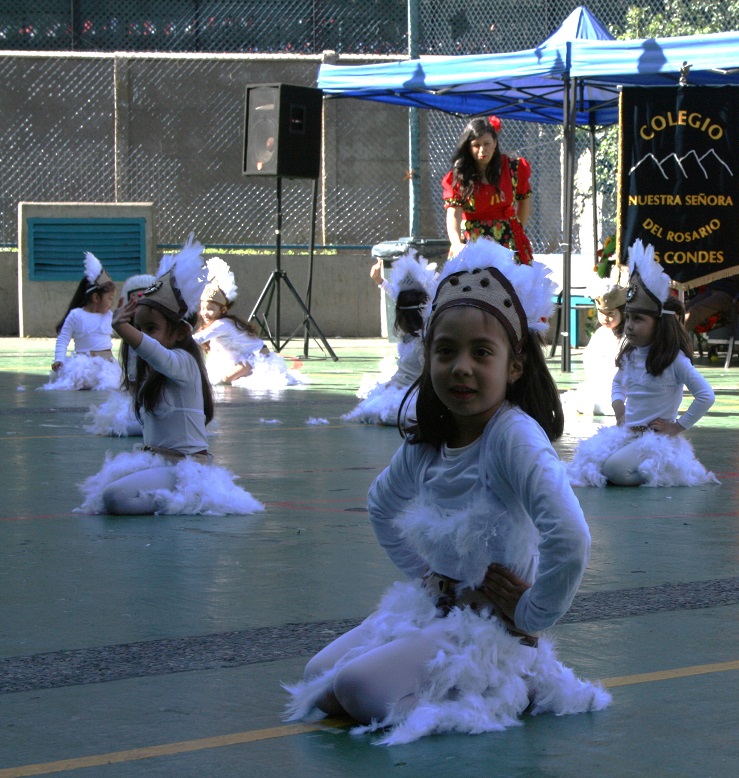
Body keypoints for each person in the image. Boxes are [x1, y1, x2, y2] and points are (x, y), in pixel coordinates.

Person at [284, 240, 609, 745]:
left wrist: (530, 615)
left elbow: (570, 537)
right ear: (427, 357)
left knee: (355, 690)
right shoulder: (432, 438)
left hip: (491, 633)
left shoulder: (513, 436)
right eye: (446, 351)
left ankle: (517, 680)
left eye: (482, 353)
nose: (461, 367)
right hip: (440, 608)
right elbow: (381, 505)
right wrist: (427, 577)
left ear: (514, 365)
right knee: (317, 675)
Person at [76, 238, 264, 516]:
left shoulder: (183, 363)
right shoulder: (153, 368)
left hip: (184, 469)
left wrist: (123, 328)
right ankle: (170, 497)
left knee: (114, 497)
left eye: (151, 328)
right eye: (140, 327)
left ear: (180, 333)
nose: (142, 335)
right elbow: (143, 357)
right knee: (107, 489)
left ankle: (185, 500)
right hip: (158, 462)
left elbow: (152, 351)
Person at [568, 241, 718, 487]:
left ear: (659, 324)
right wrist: (619, 407)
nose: (628, 326)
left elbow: (706, 395)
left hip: (656, 441)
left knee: (614, 470)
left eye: (638, 319)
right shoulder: (631, 355)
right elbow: (618, 384)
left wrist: (676, 427)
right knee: (589, 463)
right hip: (629, 433)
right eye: (628, 318)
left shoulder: (674, 361)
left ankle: (662, 472)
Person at [343, 251, 438, 426]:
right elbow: (398, 297)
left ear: (403, 319)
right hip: (398, 388)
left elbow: (429, 376)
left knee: (384, 413)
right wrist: (380, 281)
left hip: (411, 393)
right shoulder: (411, 336)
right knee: (370, 407)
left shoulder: (421, 343)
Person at [194, 257, 303, 388]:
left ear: (223, 310)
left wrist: (177, 338)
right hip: (243, 358)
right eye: (203, 308)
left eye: (210, 309)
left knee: (224, 379)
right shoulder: (217, 323)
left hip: (258, 359)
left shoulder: (222, 325)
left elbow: (198, 339)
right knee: (216, 377)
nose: (205, 313)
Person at [442, 116, 533, 264]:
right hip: (472, 242)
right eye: (476, 145)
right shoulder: (459, 175)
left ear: (495, 143)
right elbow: (454, 212)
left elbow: (524, 200)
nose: (482, 150)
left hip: (507, 241)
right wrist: (456, 243)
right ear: (468, 147)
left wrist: (517, 230)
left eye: (487, 144)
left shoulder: (513, 169)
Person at [83, 273, 157, 437]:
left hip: (160, 402)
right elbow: (133, 379)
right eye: (136, 302)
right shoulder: (130, 342)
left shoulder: (162, 338)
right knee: (120, 423)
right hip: (141, 402)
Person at [41, 253, 121, 391]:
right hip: (84, 367)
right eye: (110, 298)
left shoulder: (109, 315)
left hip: (107, 367)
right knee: (81, 381)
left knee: (113, 385)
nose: (112, 303)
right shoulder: (76, 315)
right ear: (96, 297)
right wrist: (59, 359)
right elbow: (63, 338)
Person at [562, 283, 625, 417]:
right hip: (599, 385)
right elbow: (590, 360)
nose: (605, 318)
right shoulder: (600, 333)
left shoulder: (628, 337)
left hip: (620, 389)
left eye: (611, 313)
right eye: (601, 313)